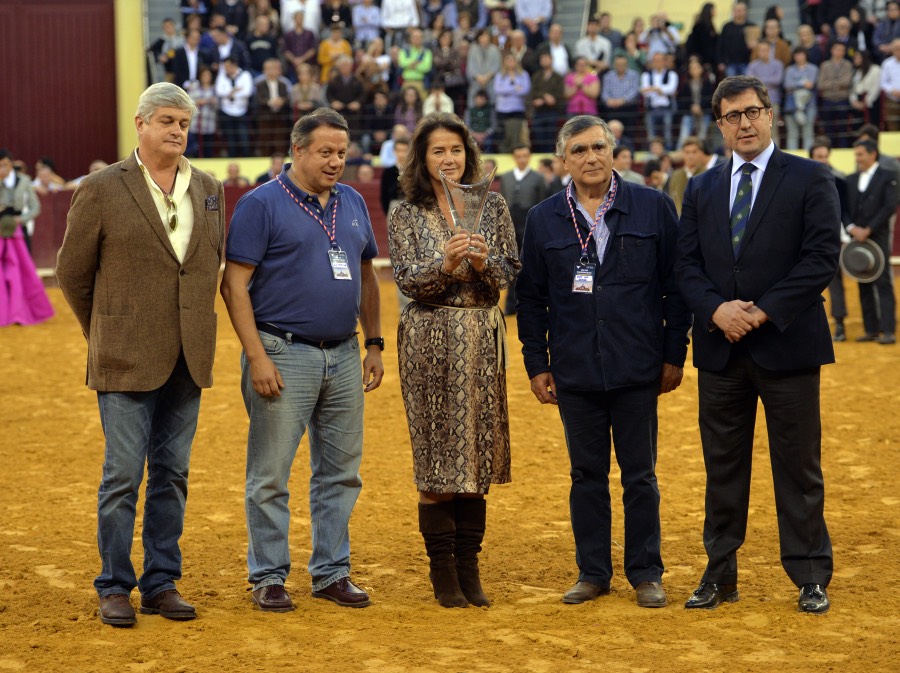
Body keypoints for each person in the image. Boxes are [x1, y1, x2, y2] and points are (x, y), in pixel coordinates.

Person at [55, 82, 226, 626]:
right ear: (141, 123)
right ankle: (113, 584)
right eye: (168, 121)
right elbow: (72, 273)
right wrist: (103, 331)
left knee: (172, 474)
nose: (178, 131)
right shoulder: (102, 187)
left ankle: (160, 582)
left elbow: (207, 266)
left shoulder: (208, 188)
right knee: (124, 475)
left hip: (188, 354)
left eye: (184, 123)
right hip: (124, 356)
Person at [675, 75, 840, 614]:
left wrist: (763, 311)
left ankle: (810, 574)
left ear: (771, 115)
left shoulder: (811, 177)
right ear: (719, 125)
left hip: (787, 344)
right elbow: (686, 266)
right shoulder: (700, 187)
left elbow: (819, 259)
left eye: (752, 112)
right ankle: (720, 574)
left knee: (799, 466)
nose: (744, 123)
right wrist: (718, 310)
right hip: (722, 348)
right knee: (722, 467)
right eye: (732, 116)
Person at [516, 115, 691, 609]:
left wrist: (674, 354)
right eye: (579, 150)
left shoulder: (654, 207)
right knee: (585, 476)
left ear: (614, 151)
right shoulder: (544, 218)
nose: (591, 157)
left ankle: (646, 572)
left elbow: (676, 290)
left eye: (599, 147)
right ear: (563, 161)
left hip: (639, 367)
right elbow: (530, 300)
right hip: (575, 370)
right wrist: (537, 363)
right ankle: (592, 572)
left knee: (641, 475)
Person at [220, 108, 384, 613]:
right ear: (297, 151)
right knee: (270, 474)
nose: (336, 161)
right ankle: (268, 576)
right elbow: (234, 284)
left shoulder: (353, 201)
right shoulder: (260, 204)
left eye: (341, 152)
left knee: (340, 472)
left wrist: (374, 342)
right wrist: (256, 356)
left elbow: (367, 274)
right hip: (281, 353)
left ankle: (331, 572)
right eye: (325, 152)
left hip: (343, 354)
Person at [388, 112, 520, 608]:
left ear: (469, 156)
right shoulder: (406, 212)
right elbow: (405, 279)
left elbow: (509, 271)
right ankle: (443, 573)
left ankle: (470, 567)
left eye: (456, 150)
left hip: (483, 340)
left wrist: (486, 265)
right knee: (437, 457)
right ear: (422, 159)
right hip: (429, 340)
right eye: (438, 151)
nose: (449, 158)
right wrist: (444, 265)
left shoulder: (495, 207)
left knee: (476, 458)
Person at [846, 138, 899, 344]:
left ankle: (888, 330)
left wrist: (869, 229)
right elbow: (845, 207)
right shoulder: (851, 179)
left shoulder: (888, 176)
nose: (857, 159)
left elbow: (889, 206)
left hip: (877, 236)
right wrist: (852, 228)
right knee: (863, 280)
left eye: (860, 154)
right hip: (857, 236)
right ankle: (871, 329)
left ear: (872, 154)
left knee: (883, 281)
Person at [0, 149, 53, 326]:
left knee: (21, 271)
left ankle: (18, 311)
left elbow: (35, 208)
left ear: (11, 163)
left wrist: (20, 219)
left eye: (4, 165)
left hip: (17, 232)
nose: (2, 169)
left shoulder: (23, 182)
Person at [809, 138, 852, 342]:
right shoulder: (800, 180)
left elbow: (845, 211)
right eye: (819, 157)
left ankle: (840, 324)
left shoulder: (840, 180)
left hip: (833, 238)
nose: (824, 160)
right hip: (806, 239)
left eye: (826, 156)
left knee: (835, 282)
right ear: (812, 158)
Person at [500, 145, 546, 315]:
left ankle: (531, 306)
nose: (521, 159)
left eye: (525, 156)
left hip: (529, 224)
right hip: (511, 224)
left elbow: (542, 204)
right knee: (512, 262)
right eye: (518, 156)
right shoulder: (506, 177)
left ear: (529, 157)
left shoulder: (538, 178)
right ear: (514, 157)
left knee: (530, 265)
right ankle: (511, 305)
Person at [640, 51, 678, 151]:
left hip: (667, 108)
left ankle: (668, 151)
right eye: (655, 61)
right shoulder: (646, 75)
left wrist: (653, 89)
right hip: (651, 108)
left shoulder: (671, 74)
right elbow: (645, 92)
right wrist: (661, 90)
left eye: (660, 60)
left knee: (667, 133)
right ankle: (653, 152)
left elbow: (671, 89)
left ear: (664, 62)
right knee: (651, 134)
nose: (657, 63)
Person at [256, 58, 292, 156]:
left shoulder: (283, 84)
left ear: (279, 70)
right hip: (265, 117)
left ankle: (280, 160)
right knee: (265, 140)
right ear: (264, 71)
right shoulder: (260, 84)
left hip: (280, 116)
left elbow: (288, 98)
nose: (272, 71)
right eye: (269, 69)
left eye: (274, 69)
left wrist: (282, 101)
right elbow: (259, 99)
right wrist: (270, 102)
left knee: (279, 140)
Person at [666, 136, 707, 214]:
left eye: (694, 152)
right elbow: (673, 201)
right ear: (683, 154)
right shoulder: (675, 176)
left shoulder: (708, 174)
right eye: (687, 152)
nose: (690, 156)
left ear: (701, 153)